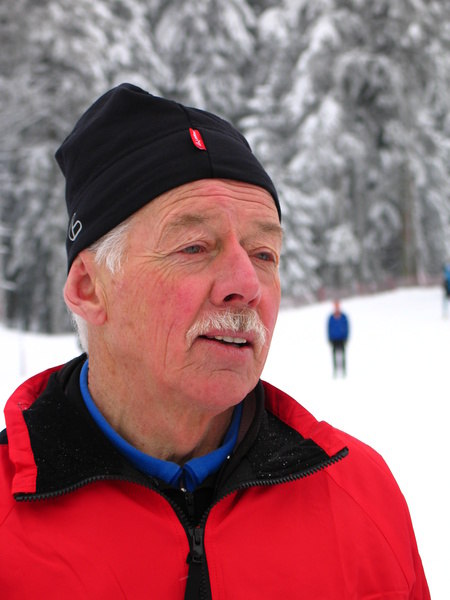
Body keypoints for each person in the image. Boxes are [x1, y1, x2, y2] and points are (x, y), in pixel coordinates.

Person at [0, 84, 429, 599]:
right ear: (90, 288)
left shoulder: (361, 497)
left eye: (264, 254)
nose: (247, 284)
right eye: (194, 246)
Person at [327, 299, 350, 376]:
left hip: (342, 338)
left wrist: (346, 337)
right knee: (334, 355)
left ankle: (343, 370)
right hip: (334, 339)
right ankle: (335, 370)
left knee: (343, 355)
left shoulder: (343, 316)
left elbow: (346, 327)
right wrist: (329, 338)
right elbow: (329, 328)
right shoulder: (331, 317)